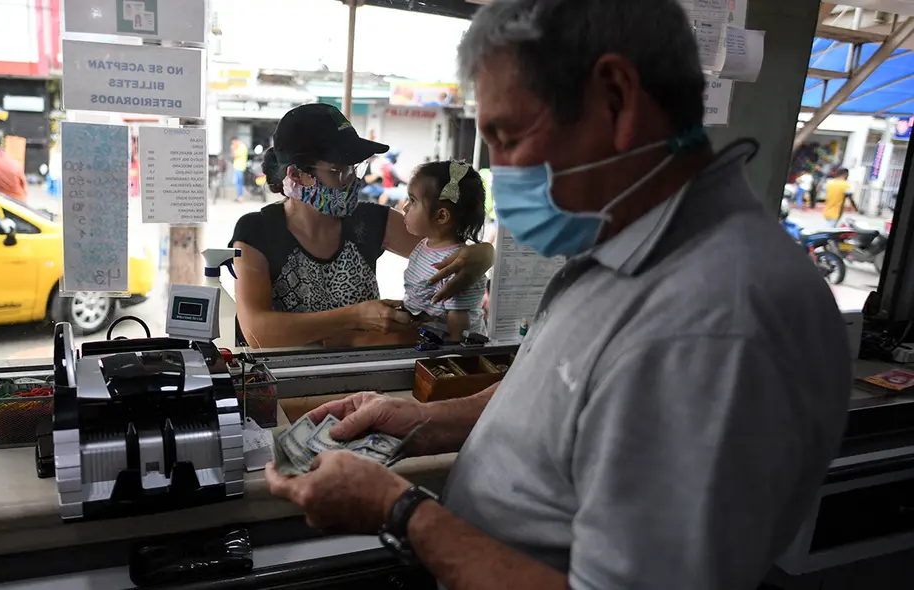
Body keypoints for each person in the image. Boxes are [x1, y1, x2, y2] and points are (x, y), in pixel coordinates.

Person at [264, 2, 852, 590]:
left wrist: (400, 512)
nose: (500, 174)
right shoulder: (621, 249)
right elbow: (558, 400)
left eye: (509, 136)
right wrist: (423, 421)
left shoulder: (712, 324)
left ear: (616, 100)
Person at [229, 103, 494, 349]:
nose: (354, 181)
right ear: (297, 175)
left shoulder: (370, 220)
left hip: (363, 370)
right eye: (340, 171)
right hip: (286, 376)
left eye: (355, 168)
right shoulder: (257, 232)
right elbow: (256, 332)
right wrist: (354, 317)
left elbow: (449, 252)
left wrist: (485, 254)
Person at [401, 160, 488, 338]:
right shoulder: (425, 245)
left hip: (444, 347)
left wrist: (453, 350)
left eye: (413, 201)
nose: (404, 207)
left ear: (441, 216)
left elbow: (459, 324)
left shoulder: (454, 265)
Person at [231, 138, 249, 202]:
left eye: (233, 143)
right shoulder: (239, 147)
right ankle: (239, 196)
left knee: (239, 182)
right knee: (238, 183)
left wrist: (233, 148)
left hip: (240, 167)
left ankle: (240, 197)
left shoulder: (242, 147)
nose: (233, 144)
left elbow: (235, 155)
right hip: (237, 167)